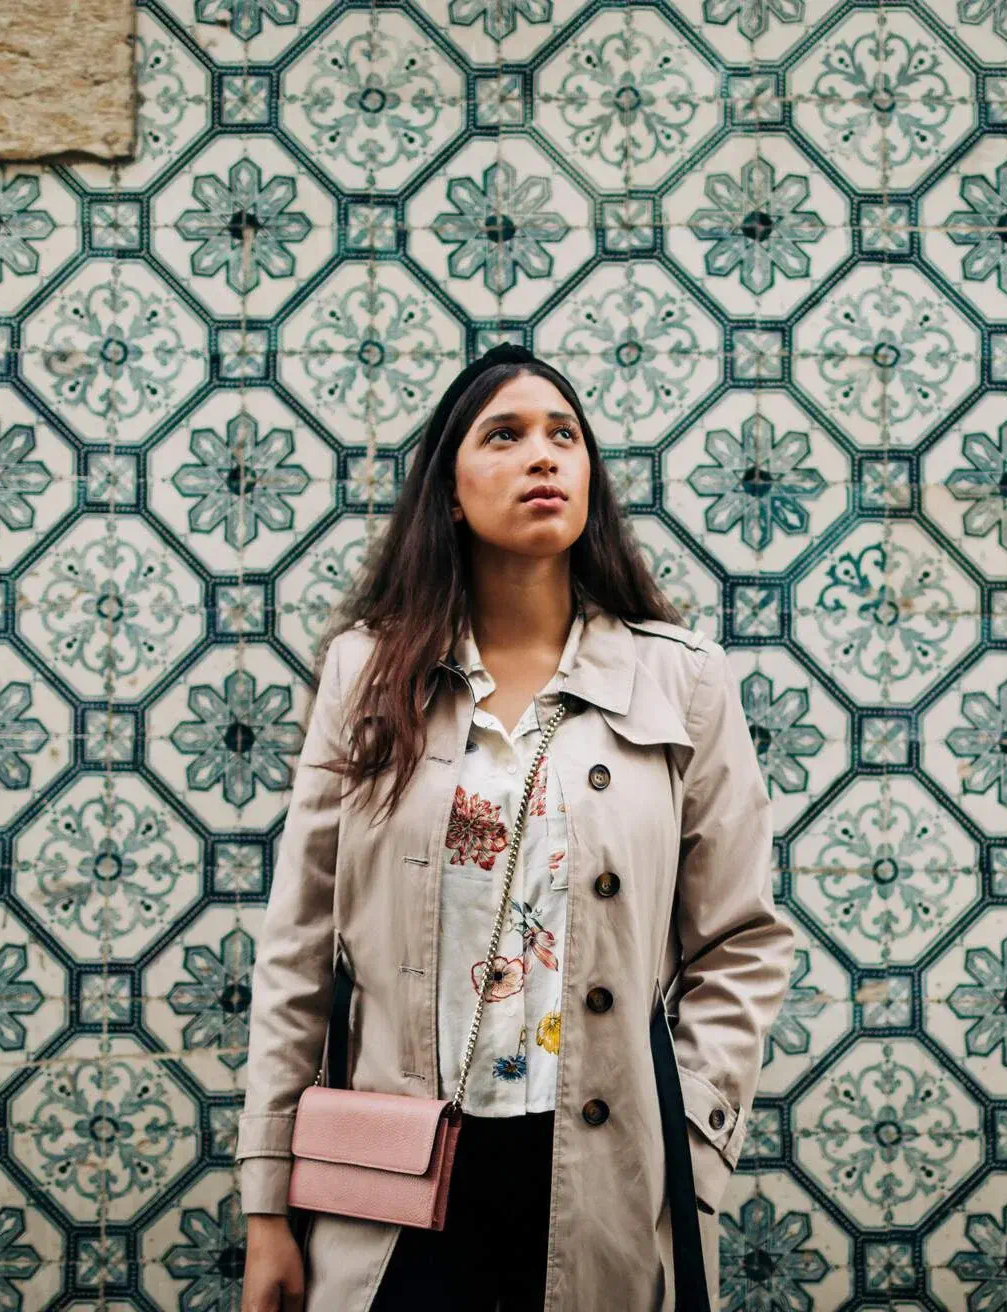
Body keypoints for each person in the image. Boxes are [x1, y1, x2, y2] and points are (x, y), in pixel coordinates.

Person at [238, 343, 797, 1312]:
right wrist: (267, 1208)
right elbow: (296, 952)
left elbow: (741, 940)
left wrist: (691, 1149)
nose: (545, 456)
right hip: (394, 1185)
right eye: (506, 435)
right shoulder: (366, 677)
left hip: (604, 1177)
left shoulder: (684, 681)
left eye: (564, 436)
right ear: (449, 493)